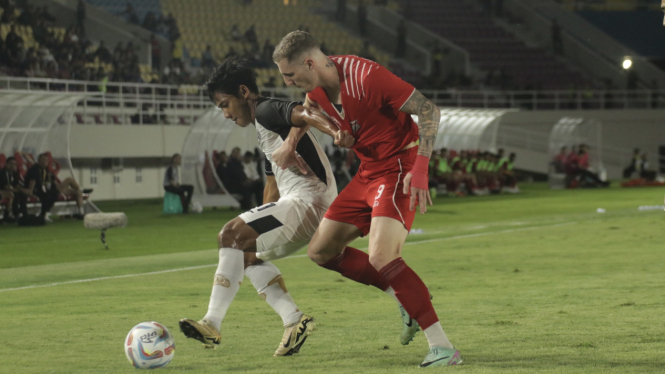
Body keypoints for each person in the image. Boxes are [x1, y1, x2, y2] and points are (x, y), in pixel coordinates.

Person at [271, 31, 462, 367]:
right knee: (320, 251)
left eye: (290, 74)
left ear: (310, 63)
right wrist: (290, 143)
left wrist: (421, 167)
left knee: (383, 257)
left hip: (399, 166)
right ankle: (403, 297)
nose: (287, 81)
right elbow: (307, 109)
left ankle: (443, 347)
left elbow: (429, 111)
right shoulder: (314, 86)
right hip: (368, 172)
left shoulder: (368, 77)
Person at [179, 57, 353, 356]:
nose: (224, 114)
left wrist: (335, 131)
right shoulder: (265, 131)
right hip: (300, 204)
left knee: (228, 235)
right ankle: (294, 320)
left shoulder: (265, 109)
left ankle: (212, 323)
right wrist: (257, 226)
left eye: (224, 104)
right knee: (244, 255)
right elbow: (271, 188)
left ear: (244, 92)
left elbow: (303, 112)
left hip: (309, 201)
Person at [0, 157, 28, 221]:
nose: (13, 166)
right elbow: (5, 186)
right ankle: (14, 214)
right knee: (15, 195)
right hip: (4, 190)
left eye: (14, 164)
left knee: (23, 194)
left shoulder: (14, 173)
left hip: (12, 190)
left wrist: (20, 188)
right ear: (6, 164)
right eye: (11, 164)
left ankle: (24, 213)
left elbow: (16, 184)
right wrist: (16, 189)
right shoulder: (2, 173)